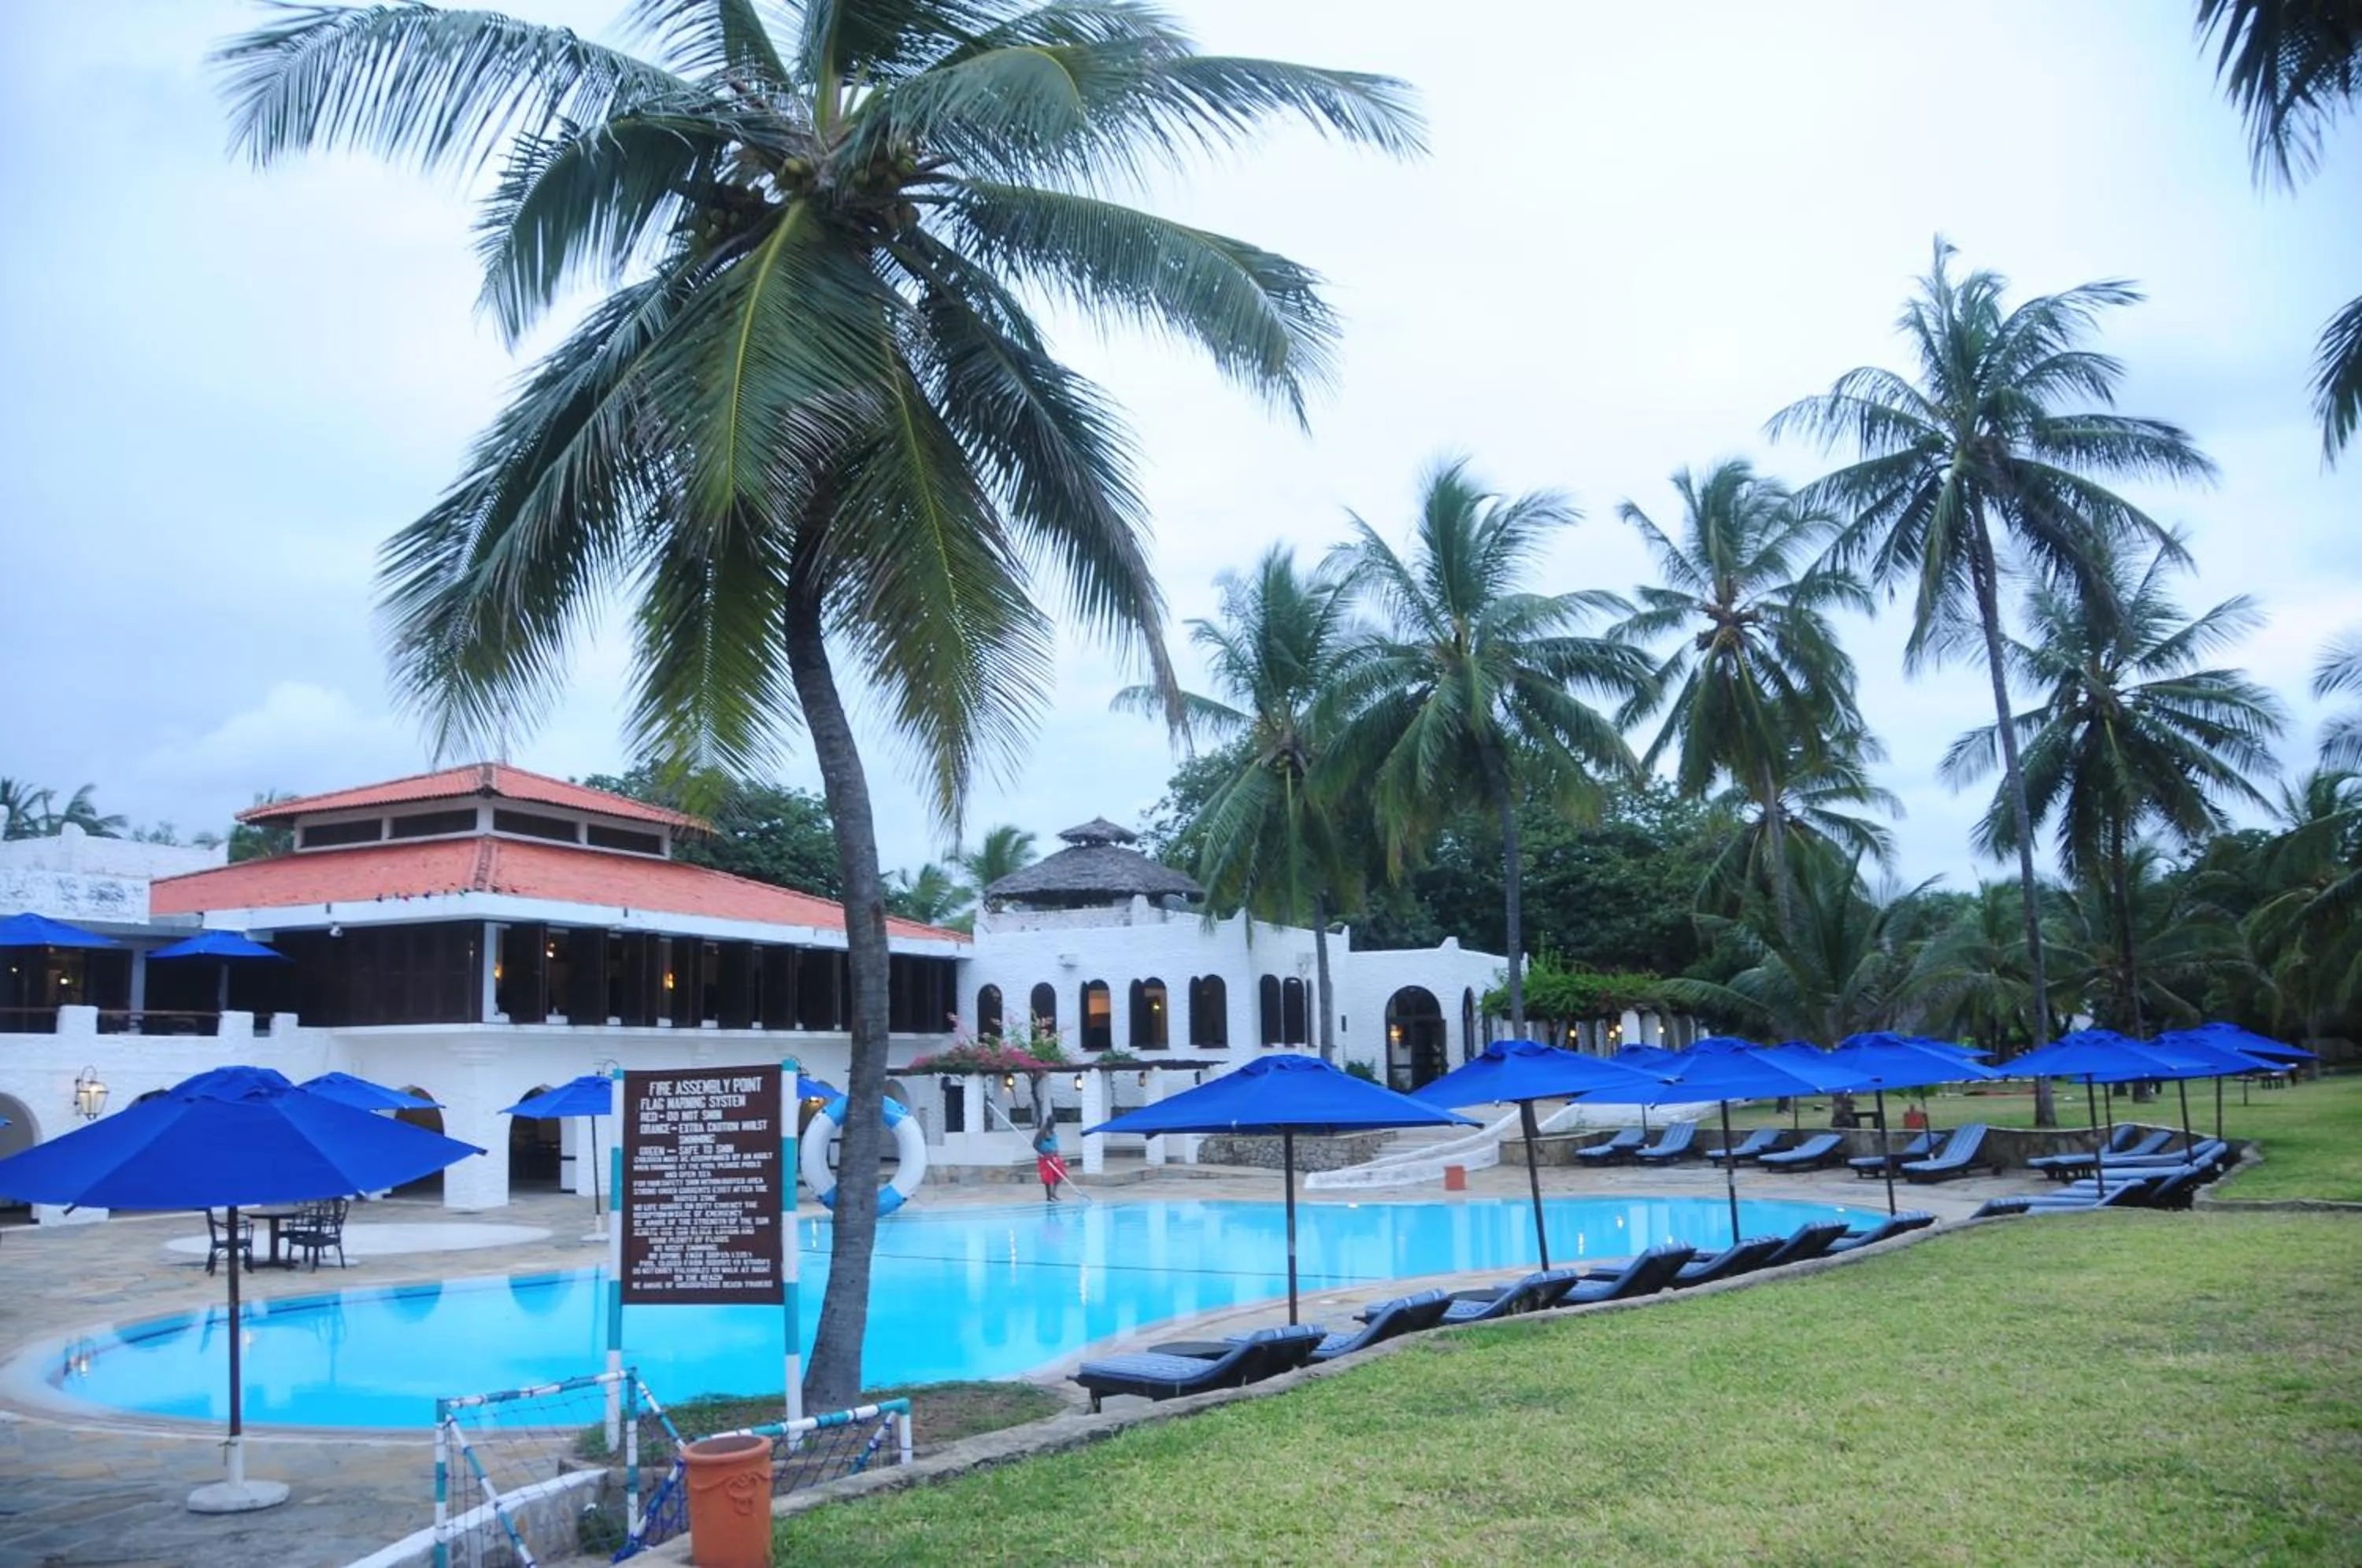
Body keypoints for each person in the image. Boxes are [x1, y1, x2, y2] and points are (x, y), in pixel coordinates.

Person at [1033, 1121, 1068, 1203]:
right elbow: (1035, 1145)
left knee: (1060, 1174)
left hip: (1054, 1157)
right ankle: (1049, 1197)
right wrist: (1042, 1153)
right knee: (1048, 1177)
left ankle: (1053, 1194)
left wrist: (1056, 1152)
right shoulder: (1041, 1133)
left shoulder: (1053, 1132)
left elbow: (1054, 1143)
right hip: (1045, 1158)